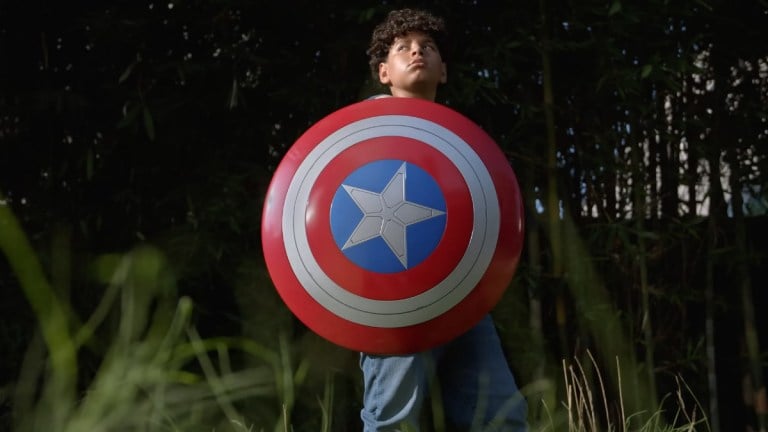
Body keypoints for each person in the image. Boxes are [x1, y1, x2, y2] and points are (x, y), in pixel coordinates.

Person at [359, 8, 529, 432]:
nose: (418, 52)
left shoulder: (461, 144)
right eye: (404, 48)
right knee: (393, 422)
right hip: (394, 298)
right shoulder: (364, 129)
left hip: (461, 296)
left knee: (501, 418)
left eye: (428, 47)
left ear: (444, 71)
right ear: (384, 72)